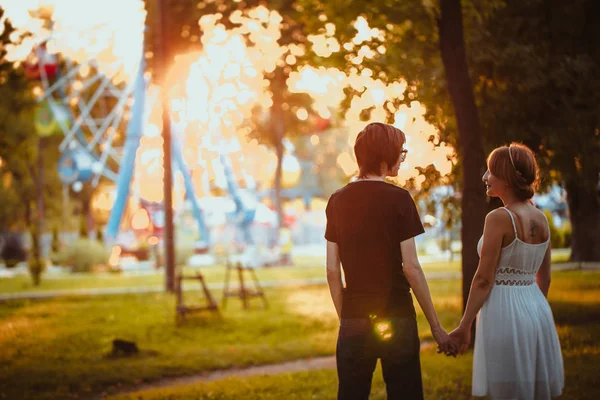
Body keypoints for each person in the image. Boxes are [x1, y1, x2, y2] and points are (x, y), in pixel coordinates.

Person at [325, 122, 456, 400]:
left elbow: (331, 271)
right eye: (401, 152)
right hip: (397, 316)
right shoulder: (399, 199)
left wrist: (346, 317)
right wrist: (436, 327)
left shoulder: (337, 200)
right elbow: (411, 268)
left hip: (354, 317)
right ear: (385, 160)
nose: (402, 158)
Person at [449, 143, 564, 399]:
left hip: (504, 313)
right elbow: (545, 277)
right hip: (537, 311)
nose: (484, 178)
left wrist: (465, 325)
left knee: (507, 391)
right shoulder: (541, 218)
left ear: (508, 178)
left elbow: (483, 279)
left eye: (491, 172)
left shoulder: (499, 218)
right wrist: (532, 309)